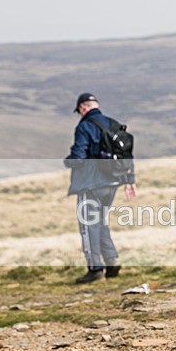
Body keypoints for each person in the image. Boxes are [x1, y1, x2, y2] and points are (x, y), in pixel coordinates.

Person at [64, 93, 136, 284]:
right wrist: (130, 180)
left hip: (90, 183)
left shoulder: (84, 126)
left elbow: (78, 157)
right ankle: (112, 261)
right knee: (101, 222)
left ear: (83, 107)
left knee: (88, 225)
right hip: (112, 182)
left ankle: (95, 269)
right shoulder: (113, 124)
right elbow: (126, 154)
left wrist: (68, 161)